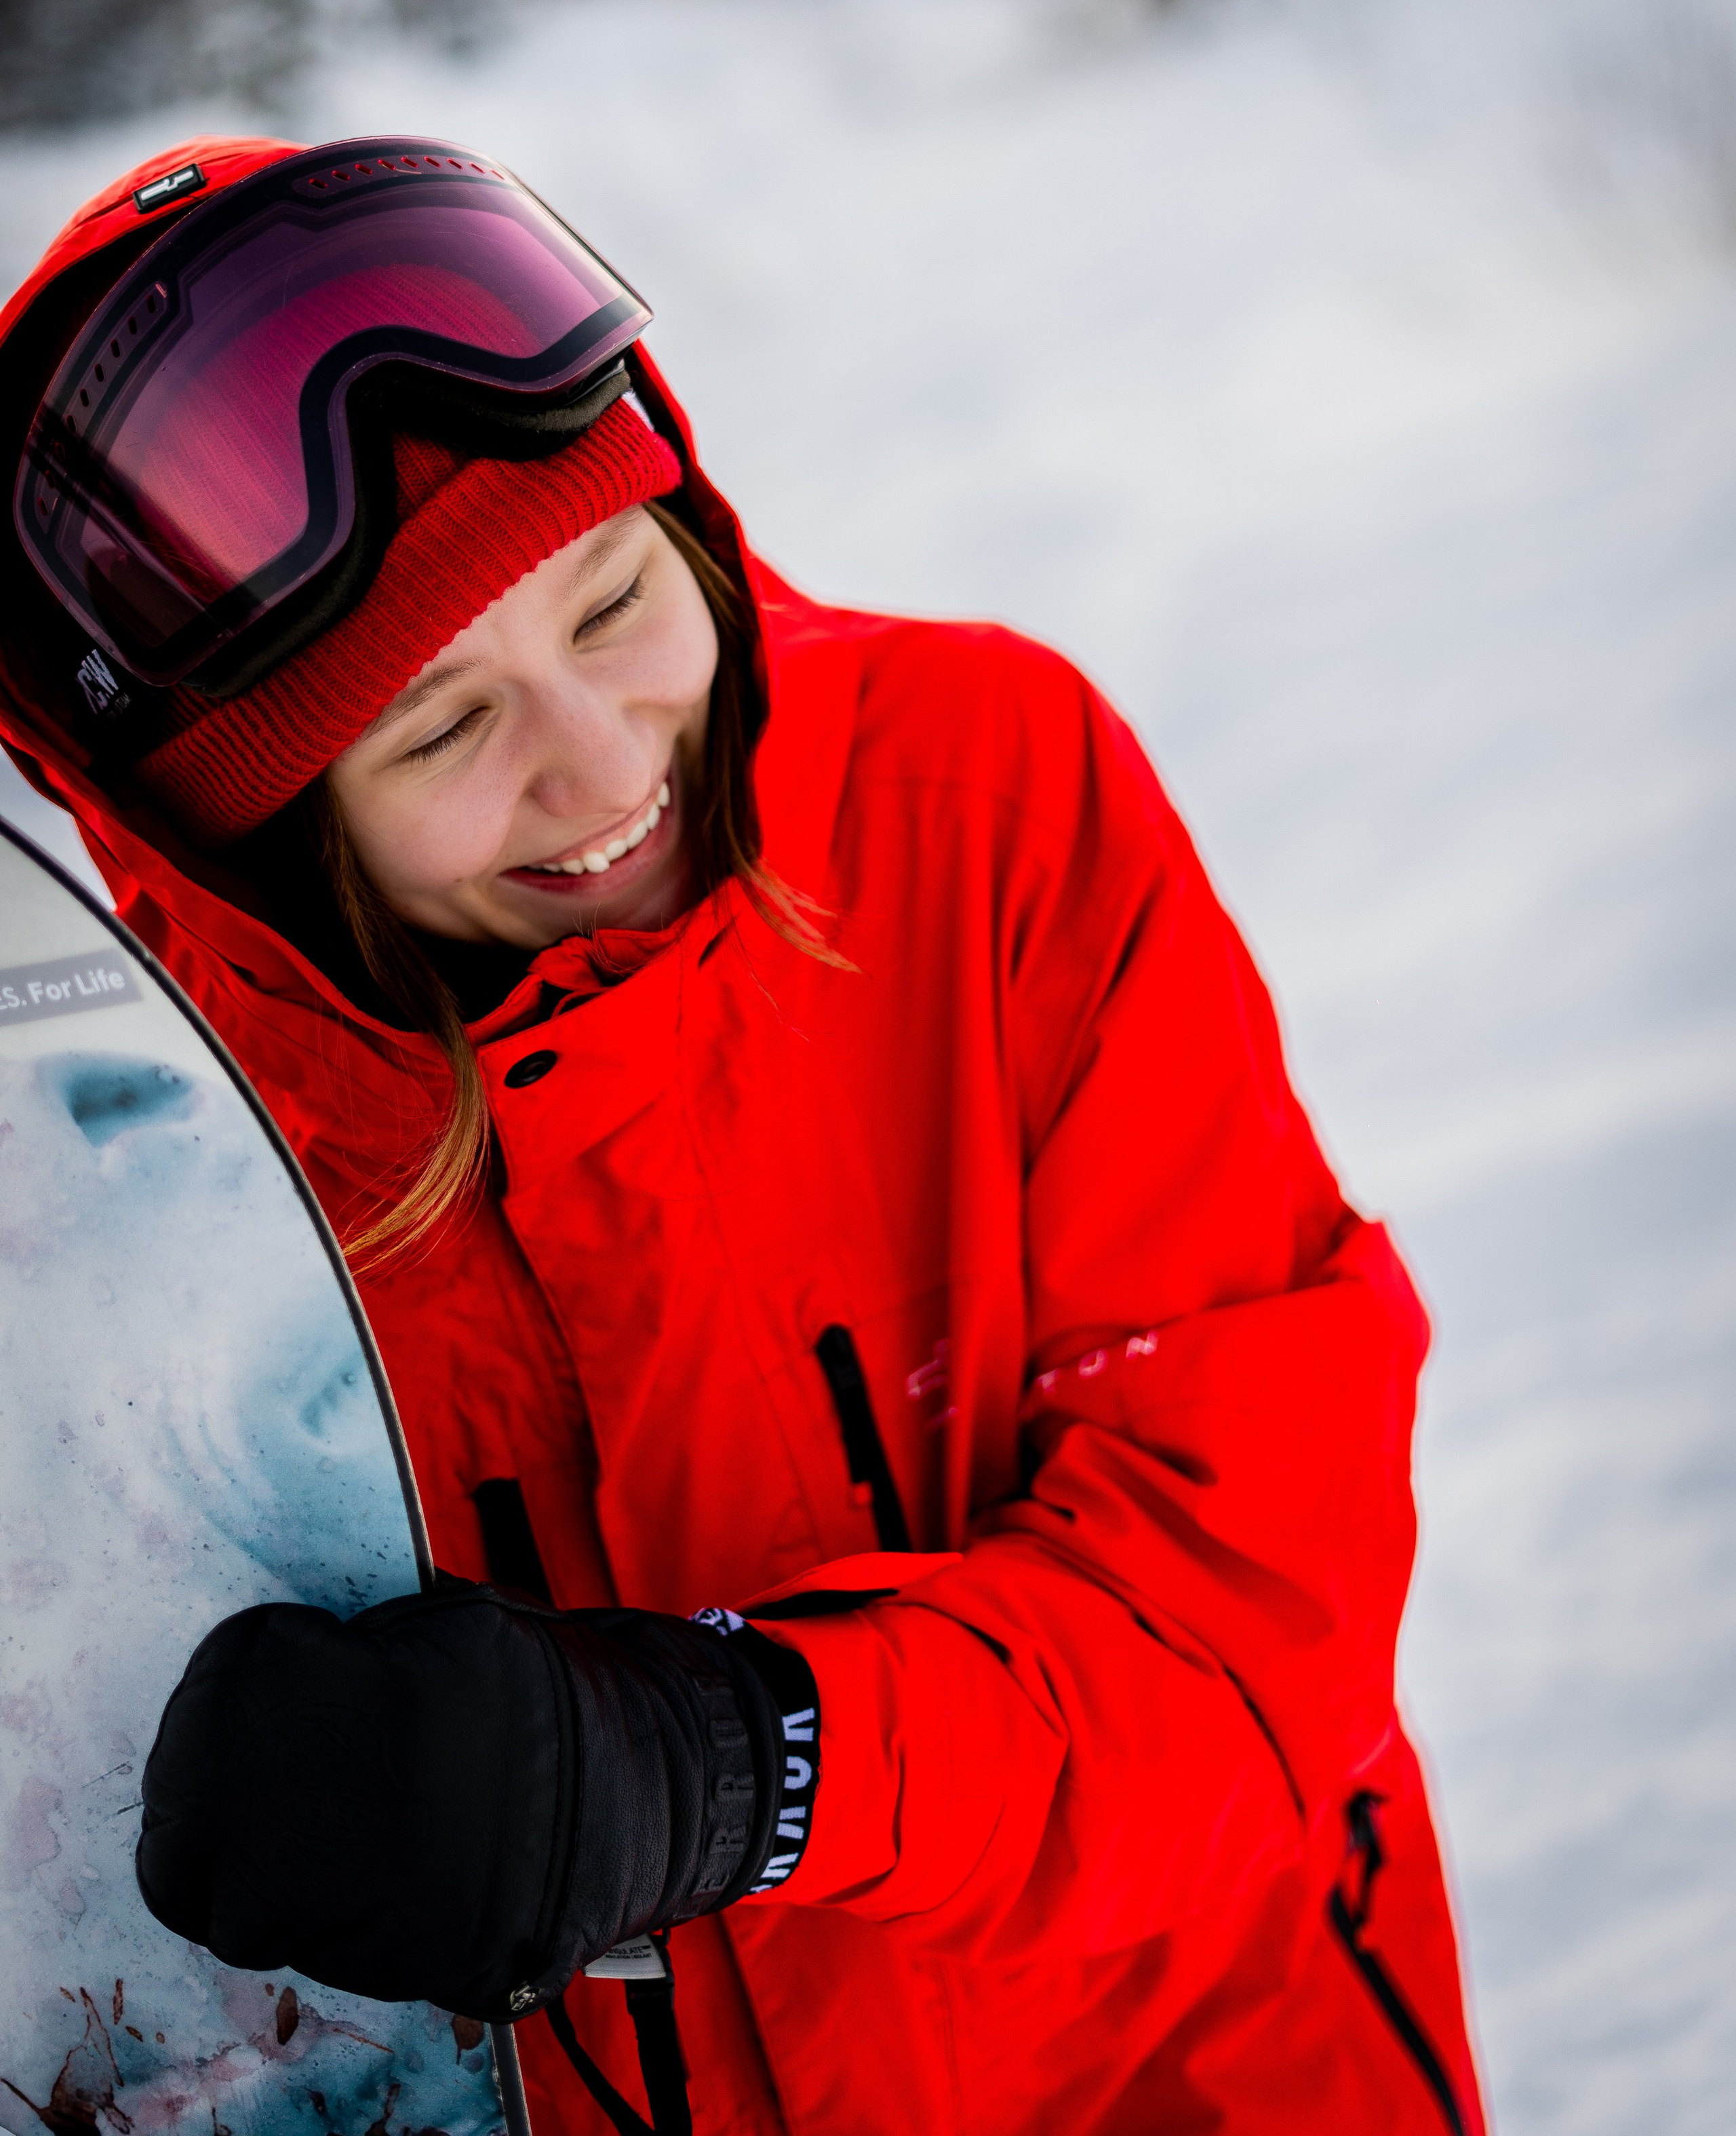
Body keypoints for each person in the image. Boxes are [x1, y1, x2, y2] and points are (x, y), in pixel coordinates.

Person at [0, 133, 1485, 2136]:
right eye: (441, 727)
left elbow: (1245, 1623)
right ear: (255, 840)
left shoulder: (984, 797)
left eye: (616, 599)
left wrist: (723, 1759)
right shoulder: (132, 1161)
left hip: (1188, 2071)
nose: (603, 764)